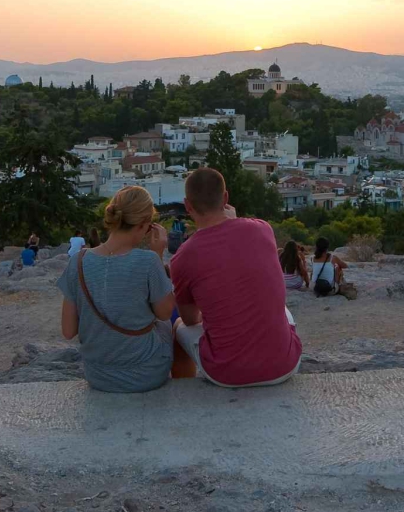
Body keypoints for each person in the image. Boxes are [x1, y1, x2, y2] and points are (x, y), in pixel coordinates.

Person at [170, 168, 302, 388]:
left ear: (188, 206)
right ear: (226, 198)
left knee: (177, 326)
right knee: (283, 309)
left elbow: (191, 319)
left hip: (227, 374)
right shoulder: (263, 229)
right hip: (285, 365)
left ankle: (184, 392)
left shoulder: (183, 257)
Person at [57, 186, 176, 393]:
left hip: (98, 376)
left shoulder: (77, 262)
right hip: (147, 374)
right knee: (172, 325)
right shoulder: (148, 261)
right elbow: (164, 313)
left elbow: (68, 331)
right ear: (143, 224)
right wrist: (157, 254)